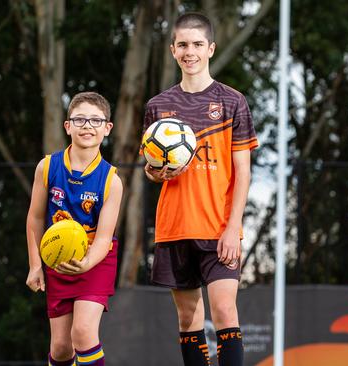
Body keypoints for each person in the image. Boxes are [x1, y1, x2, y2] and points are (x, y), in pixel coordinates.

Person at [143, 13, 259, 366]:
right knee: (188, 320)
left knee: (224, 309)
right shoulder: (157, 107)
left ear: (210, 48)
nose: (189, 51)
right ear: (172, 50)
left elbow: (243, 173)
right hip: (175, 226)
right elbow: (151, 169)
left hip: (218, 227)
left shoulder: (232, 101)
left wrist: (232, 229)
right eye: (182, 45)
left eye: (196, 44)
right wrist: (155, 171)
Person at [26, 92, 123, 366]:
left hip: (95, 259)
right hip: (58, 259)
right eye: (80, 119)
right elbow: (34, 219)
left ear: (107, 128)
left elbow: (104, 239)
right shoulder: (47, 167)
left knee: (82, 332)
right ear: (68, 126)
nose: (87, 126)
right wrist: (35, 264)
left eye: (95, 120)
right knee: (60, 348)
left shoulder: (112, 181)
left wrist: (87, 263)